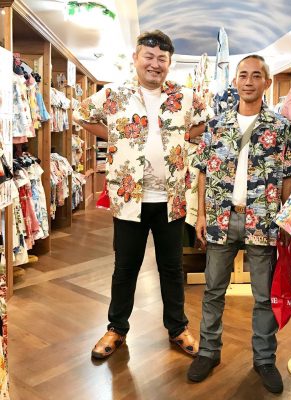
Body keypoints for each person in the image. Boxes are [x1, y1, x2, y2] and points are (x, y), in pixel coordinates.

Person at [73, 30, 212, 359]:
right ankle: (116, 328)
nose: (155, 64)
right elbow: (80, 114)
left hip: (171, 200)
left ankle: (177, 327)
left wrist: (182, 137)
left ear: (169, 63)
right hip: (129, 199)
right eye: (148, 57)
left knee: (172, 268)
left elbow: (207, 121)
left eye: (162, 59)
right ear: (136, 58)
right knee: (125, 268)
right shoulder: (115, 94)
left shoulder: (185, 97)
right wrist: (115, 134)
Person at [187, 55, 291, 393]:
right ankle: (208, 352)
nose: (248, 81)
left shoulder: (280, 127)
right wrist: (202, 216)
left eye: (256, 75)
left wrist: (285, 221)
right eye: (243, 75)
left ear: (267, 82)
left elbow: (289, 177)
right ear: (235, 81)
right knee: (213, 290)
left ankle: (264, 359)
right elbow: (203, 172)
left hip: (263, 220)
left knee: (263, 295)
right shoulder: (216, 125)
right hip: (221, 217)